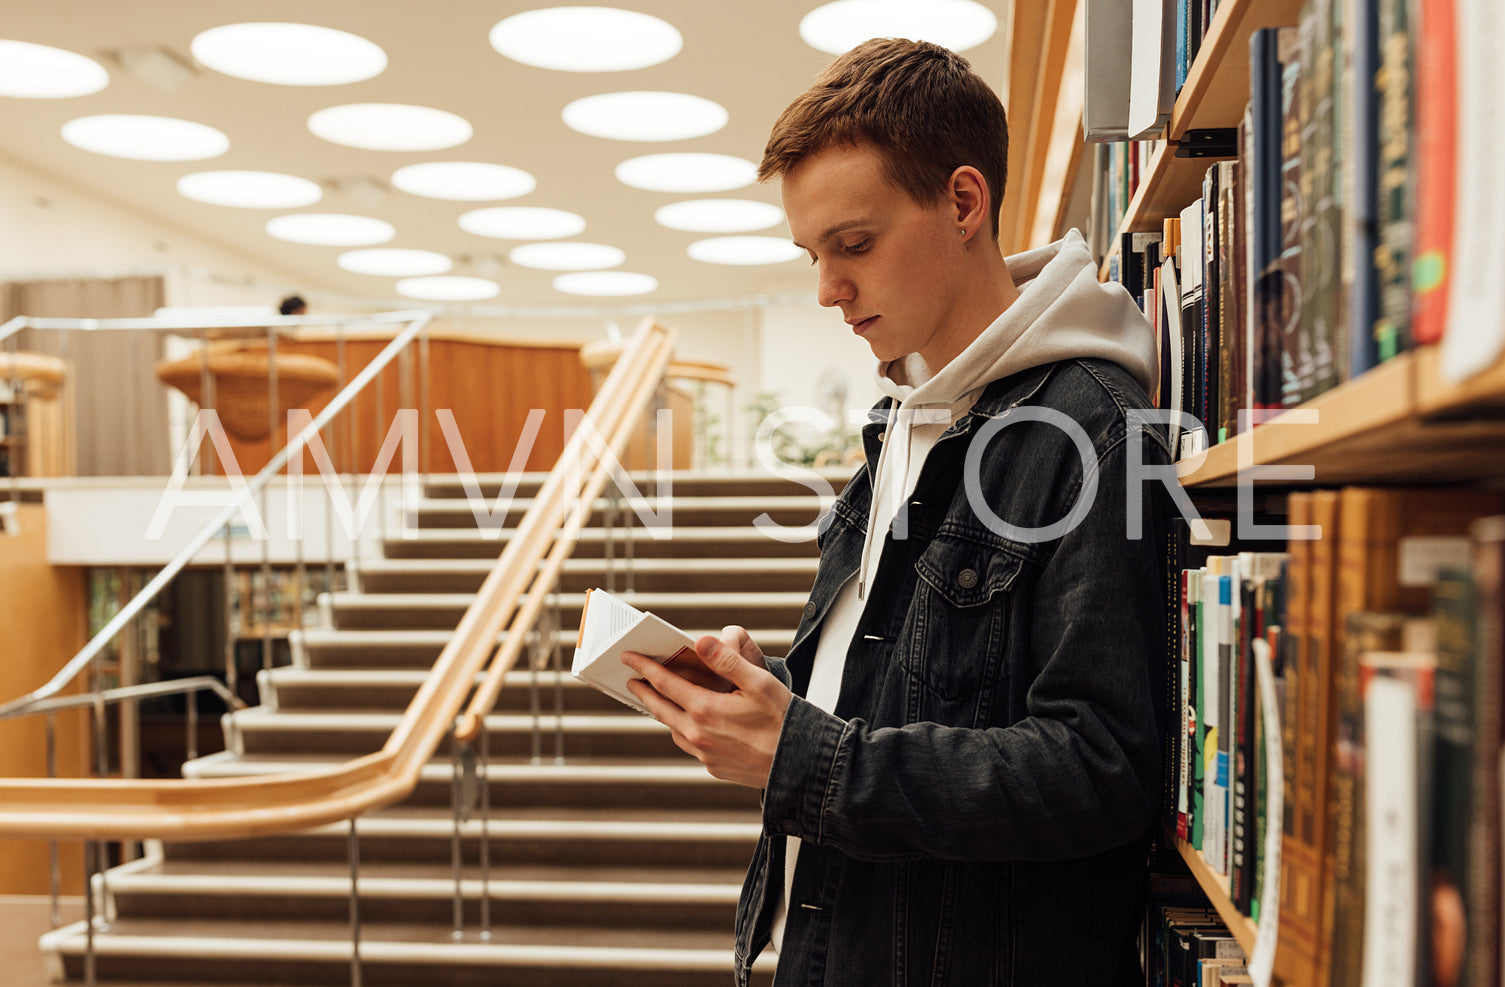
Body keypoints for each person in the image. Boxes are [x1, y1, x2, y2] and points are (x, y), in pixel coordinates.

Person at [622, 38, 1171, 987]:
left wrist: (807, 753)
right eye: (812, 252)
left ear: (963, 203)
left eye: (855, 244)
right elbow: (919, 680)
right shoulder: (903, 420)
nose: (827, 288)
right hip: (830, 941)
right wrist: (784, 688)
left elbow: (1101, 767)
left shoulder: (1092, 429)